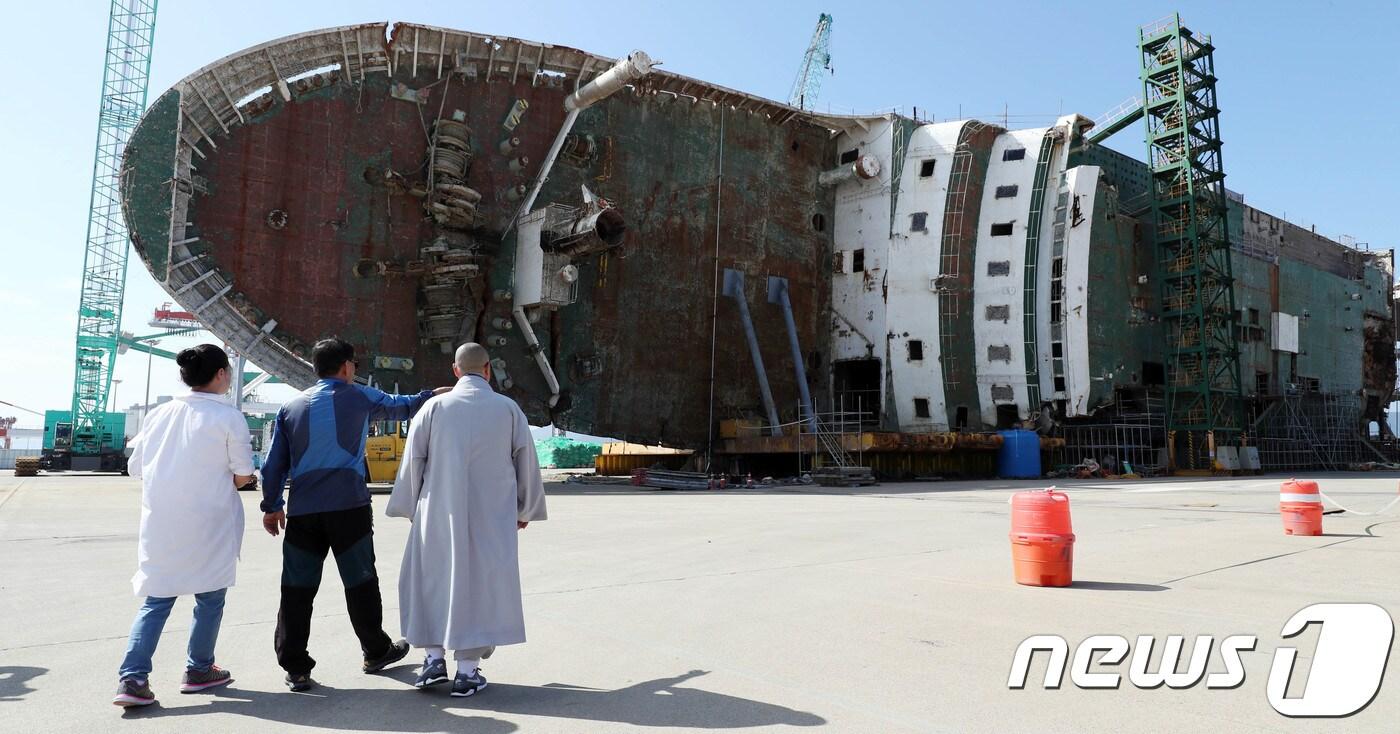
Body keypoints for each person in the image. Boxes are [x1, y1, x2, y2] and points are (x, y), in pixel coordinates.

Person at [259, 337, 448, 692]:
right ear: (346, 366)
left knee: (297, 589)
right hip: (349, 508)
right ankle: (376, 651)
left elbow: (273, 466)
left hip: (304, 511)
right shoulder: (359, 396)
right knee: (360, 582)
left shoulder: (291, 407)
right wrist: (432, 395)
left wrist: (272, 506)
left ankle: (296, 667)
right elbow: (401, 407)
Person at [387, 342, 548, 697]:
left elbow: (413, 460)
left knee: (431, 579)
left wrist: (411, 507)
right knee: (480, 585)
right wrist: (525, 509)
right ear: (488, 369)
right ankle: (468, 671)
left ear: (455, 370)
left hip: (438, 511)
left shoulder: (434, 408)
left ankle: (431, 661)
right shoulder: (508, 410)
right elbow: (526, 462)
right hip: (492, 514)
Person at [113, 344, 257, 707]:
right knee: (210, 598)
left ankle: (132, 679)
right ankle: (199, 669)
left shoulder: (158, 415)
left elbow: (136, 469)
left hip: (161, 523)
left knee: (156, 600)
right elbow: (243, 476)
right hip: (210, 524)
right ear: (223, 374)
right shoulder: (229, 418)